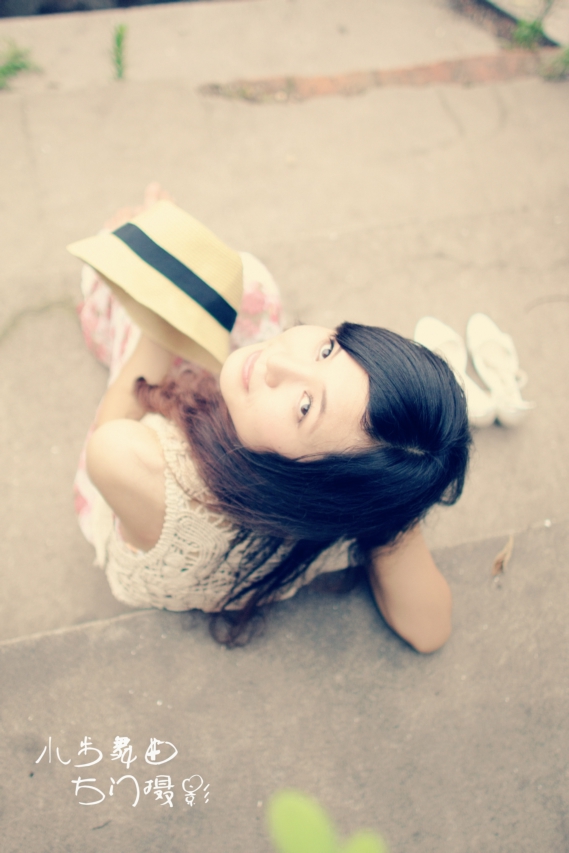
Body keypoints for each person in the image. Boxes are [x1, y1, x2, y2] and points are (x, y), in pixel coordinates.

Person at [72, 186, 471, 654]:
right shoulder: (349, 492)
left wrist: (169, 307)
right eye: (329, 349)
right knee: (244, 289)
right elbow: (429, 631)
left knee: (179, 275)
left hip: (138, 499)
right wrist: (391, 493)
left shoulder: (138, 459)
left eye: (305, 407)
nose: (277, 362)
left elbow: (115, 421)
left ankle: (115, 301)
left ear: (318, 485)